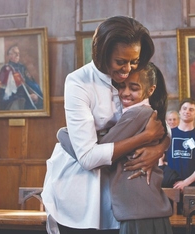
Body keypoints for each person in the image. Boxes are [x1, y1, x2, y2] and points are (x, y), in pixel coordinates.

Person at [41, 16, 168, 234]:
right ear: (102, 53)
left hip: (120, 189)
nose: (128, 69)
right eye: (121, 62)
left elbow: (158, 121)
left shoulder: (139, 77)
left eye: (134, 61)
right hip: (80, 183)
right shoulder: (79, 81)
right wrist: (144, 139)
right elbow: (88, 158)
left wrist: (159, 147)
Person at [57, 62, 173, 233]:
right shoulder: (144, 112)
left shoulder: (136, 114)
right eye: (120, 86)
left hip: (139, 208)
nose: (125, 93)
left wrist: (63, 135)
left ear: (150, 90)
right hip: (142, 206)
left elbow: (98, 154)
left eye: (133, 88)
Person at [165, 98, 195, 190]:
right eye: (184, 108)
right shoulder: (168, 135)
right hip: (169, 186)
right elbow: (160, 159)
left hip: (193, 186)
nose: (187, 111)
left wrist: (186, 182)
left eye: (191, 109)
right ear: (180, 111)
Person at [0, 44, 44, 110]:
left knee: (38, 100)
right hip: (12, 98)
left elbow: (29, 82)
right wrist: (26, 97)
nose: (17, 55)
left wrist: (35, 93)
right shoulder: (5, 69)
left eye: (18, 53)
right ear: (9, 56)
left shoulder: (22, 67)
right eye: (15, 53)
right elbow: (1, 89)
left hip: (24, 95)